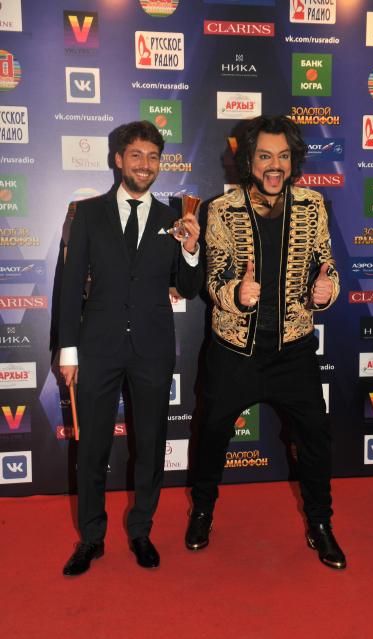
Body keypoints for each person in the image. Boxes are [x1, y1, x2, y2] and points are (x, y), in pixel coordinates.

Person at [185, 115, 346, 570]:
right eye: (264, 156)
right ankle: (202, 510)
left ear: (293, 161)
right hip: (234, 351)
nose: (275, 166)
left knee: (315, 437)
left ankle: (320, 523)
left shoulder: (313, 205)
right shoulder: (221, 210)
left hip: (294, 349)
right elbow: (213, 278)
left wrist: (327, 290)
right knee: (212, 434)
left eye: (283, 156)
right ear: (248, 162)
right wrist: (235, 294)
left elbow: (326, 265)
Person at [59, 120, 202, 575]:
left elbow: (188, 287)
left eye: (153, 157)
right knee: (91, 447)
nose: (145, 165)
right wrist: (68, 350)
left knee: (152, 444)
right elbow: (69, 286)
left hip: (152, 348)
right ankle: (91, 537)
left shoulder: (173, 217)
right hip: (97, 347)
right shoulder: (86, 213)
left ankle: (141, 530)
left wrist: (192, 249)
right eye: (136, 155)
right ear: (118, 159)